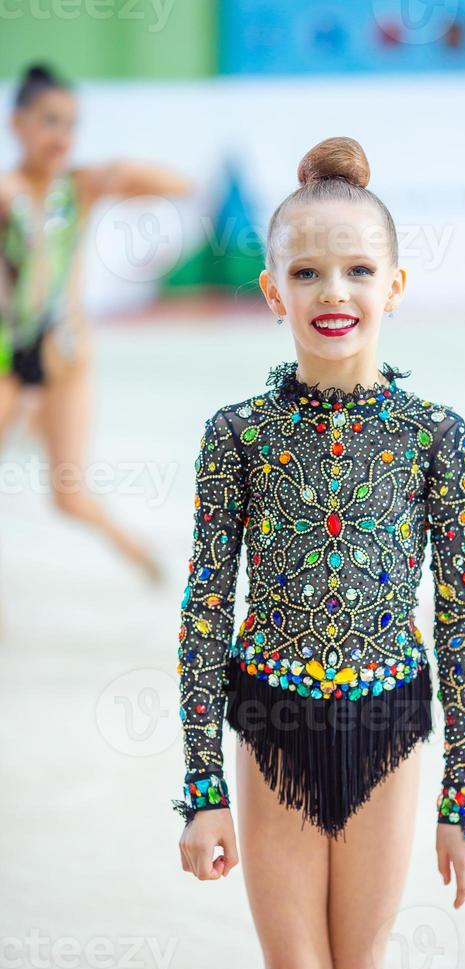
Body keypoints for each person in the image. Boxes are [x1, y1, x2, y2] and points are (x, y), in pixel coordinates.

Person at [172, 136, 465, 969]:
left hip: (389, 723)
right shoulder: (238, 434)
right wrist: (203, 792)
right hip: (274, 719)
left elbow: (461, 611)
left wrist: (464, 794)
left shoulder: (435, 435)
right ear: (272, 291)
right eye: (306, 273)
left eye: (357, 270)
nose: (333, 291)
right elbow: (205, 608)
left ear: (394, 285)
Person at [0, 63, 193, 583]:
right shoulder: (7, 192)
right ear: (17, 123)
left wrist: (120, 170)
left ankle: (138, 552)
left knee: (69, 495)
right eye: (49, 121)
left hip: (65, 360)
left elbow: (179, 185)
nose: (62, 135)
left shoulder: (79, 186)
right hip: (10, 361)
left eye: (71, 124)